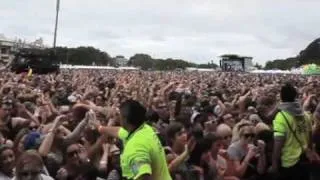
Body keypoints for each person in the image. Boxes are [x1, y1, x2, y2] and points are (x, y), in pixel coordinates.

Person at [92, 100, 172, 180]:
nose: (118, 117)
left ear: (125, 120)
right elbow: (119, 131)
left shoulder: (136, 148)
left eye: (119, 115)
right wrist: (100, 128)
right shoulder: (145, 129)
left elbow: (143, 176)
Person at [270, 83, 312, 180]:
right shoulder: (306, 115)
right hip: (305, 159)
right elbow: (309, 137)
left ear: (281, 97)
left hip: (289, 163)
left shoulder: (281, 117)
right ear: (295, 96)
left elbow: (278, 144)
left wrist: (274, 164)